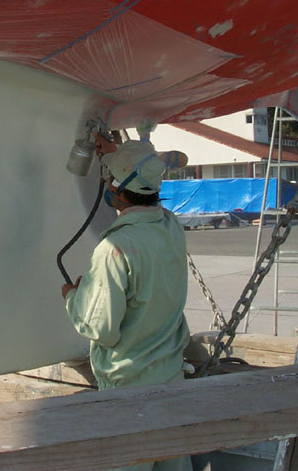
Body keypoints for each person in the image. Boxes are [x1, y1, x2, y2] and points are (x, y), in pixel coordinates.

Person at [61, 135, 191, 471]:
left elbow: (101, 329)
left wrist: (73, 297)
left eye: (109, 179)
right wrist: (115, 154)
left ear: (117, 190)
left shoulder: (115, 248)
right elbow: (139, 173)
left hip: (130, 391)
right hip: (171, 381)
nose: (106, 184)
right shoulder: (171, 227)